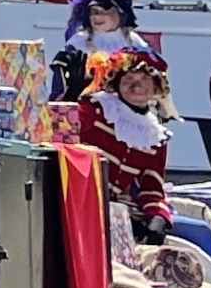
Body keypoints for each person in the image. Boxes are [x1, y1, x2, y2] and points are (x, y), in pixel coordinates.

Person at [71, 44, 178, 236]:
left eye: (144, 79)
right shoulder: (95, 109)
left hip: (117, 214)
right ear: (117, 83)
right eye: (129, 79)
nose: (137, 86)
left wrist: (158, 217)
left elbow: (151, 189)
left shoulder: (157, 137)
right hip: (79, 203)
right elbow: (64, 132)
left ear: (155, 86)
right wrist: (71, 99)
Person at [47, 0, 145, 105]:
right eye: (93, 12)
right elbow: (59, 91)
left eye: (104, 11)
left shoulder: (136, 44)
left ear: (120, 14)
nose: (97, 16)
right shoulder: (78, 44)